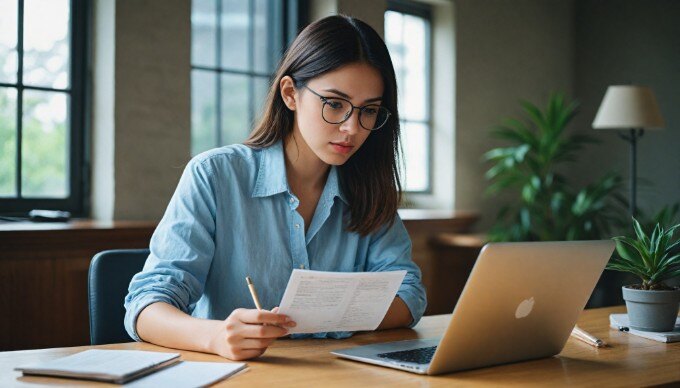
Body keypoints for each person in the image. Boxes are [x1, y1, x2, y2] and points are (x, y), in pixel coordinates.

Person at [124, 15, 427, 361]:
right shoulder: (214, 176)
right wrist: (216, 337)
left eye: (368, 111)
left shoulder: (370, 189)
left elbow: (409, 296)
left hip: (337, 376)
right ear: (290, 94)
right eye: (335, 104)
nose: (352, 128)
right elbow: (146, 307)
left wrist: (320, 317)